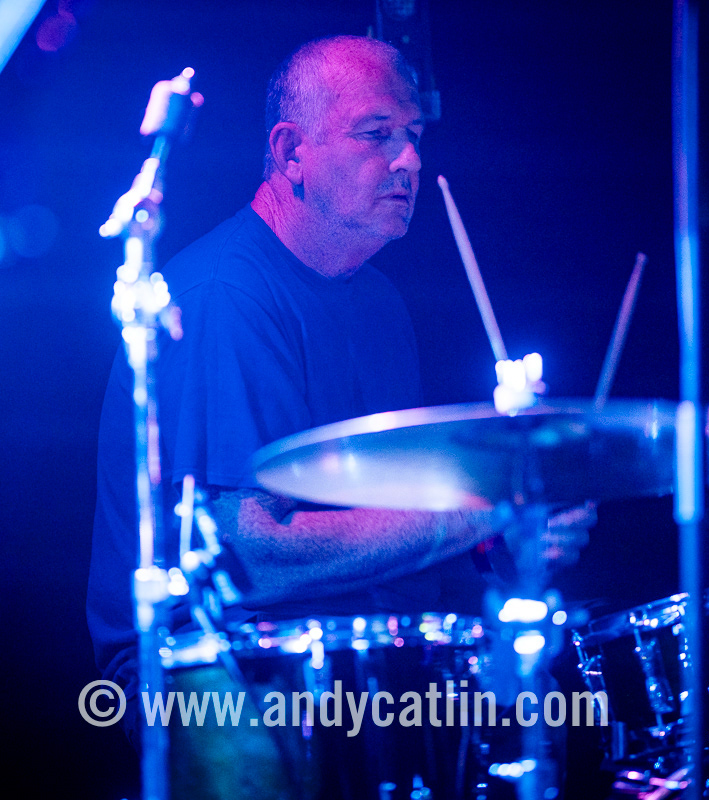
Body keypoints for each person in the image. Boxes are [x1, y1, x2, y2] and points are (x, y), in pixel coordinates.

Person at [87, 34, 577, 799]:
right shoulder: (227, 295)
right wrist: (478, 513)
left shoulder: (379, 301)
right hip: (212, 676)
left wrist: (510, 543)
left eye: (413, 137)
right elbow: (250, 555)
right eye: (376, 134)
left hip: (361, 662)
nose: (409, 161)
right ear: (291, 153)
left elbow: (394, 528)